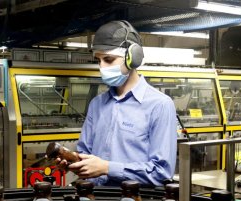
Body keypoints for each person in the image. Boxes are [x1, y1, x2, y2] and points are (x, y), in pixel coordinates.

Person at [57, 20, 177, 187]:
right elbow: (86, 153)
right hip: (95, 198)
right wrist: (75, 161)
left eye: (108, 59)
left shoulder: (160, 105)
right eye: (98, 60)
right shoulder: (97, 104)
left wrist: (107, 168)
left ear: (133, 59)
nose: (102, 67)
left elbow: (161, 172)